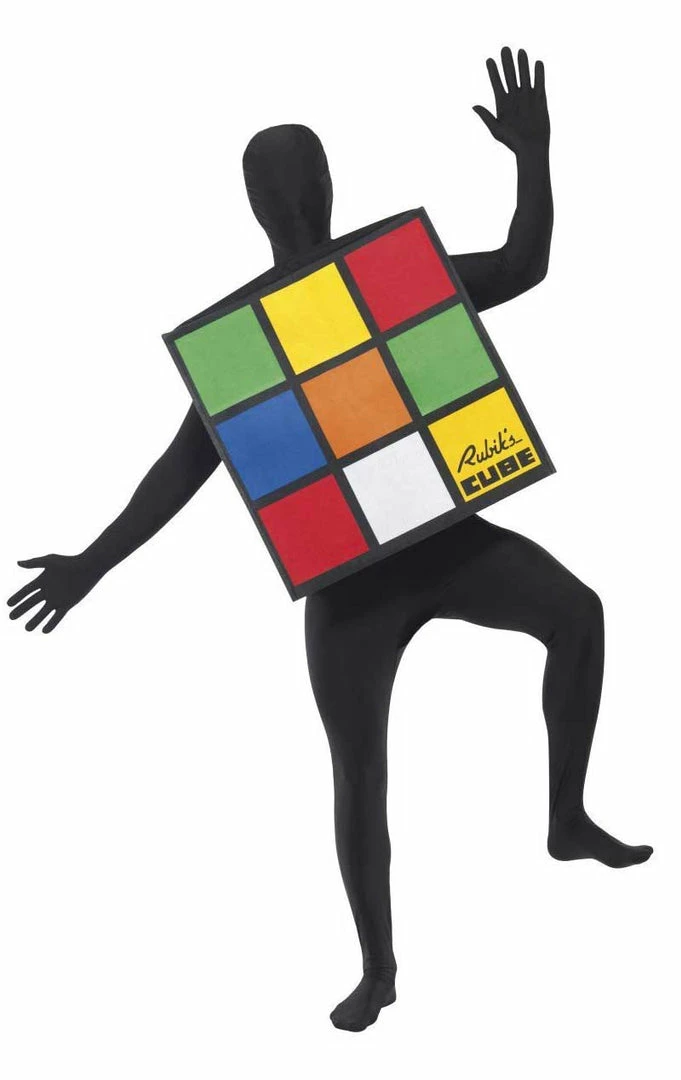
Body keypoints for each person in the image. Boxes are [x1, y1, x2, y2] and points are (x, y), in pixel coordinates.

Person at [7, 48, 652, 1033]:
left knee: (578, 614)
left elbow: (524, 265)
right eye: (282, 182)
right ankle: (378, 970)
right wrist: (91, 565)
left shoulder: (392, 277)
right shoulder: (243, 343)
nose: (296, 193)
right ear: (258, 205)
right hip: (347, 587)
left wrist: (534, 155)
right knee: (360, 774)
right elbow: (181, 470)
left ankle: (564, 819)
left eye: (303, 175)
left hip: (444, 541)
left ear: (325, 186)